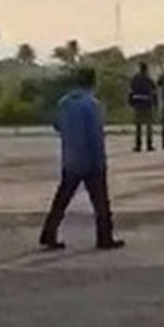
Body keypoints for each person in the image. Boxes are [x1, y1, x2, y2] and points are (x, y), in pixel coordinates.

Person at [39, 67, 125, 251]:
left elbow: (57, 125)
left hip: (71, 158)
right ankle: (104, 237)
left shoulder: (65, 102)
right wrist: (100, 160)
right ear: (93, 82)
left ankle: (49, 233)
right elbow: (95, 135)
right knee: (101, 203)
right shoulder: (92, 104)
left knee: (62, 199)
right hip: (91, 160)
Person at [128, 62, 157, 152]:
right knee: (149, 126)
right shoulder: (149, 79)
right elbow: (154, 91)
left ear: (140, 68)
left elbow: (131, 91)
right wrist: (155, 104)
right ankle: (149, 145)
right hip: (148, 104)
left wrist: (130, 102)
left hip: (138, 103)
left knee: (138, 126)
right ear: (146, 69)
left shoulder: (135, 79)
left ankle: (138, 145)